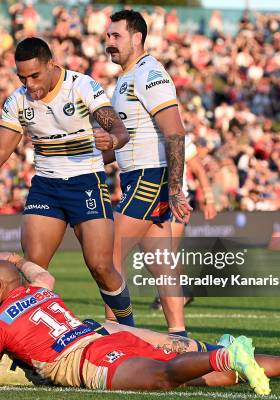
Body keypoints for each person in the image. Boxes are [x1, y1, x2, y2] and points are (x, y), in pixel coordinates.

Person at [0, 254, 280, 394]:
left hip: (89, 360)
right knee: (208, 376)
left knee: (165, 377)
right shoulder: (38, 292)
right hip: (100, 335)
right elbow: (40, 274)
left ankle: (228, 352)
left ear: (0, 288)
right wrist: (17, 259)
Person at [0, 37, 136, 326]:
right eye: (22, 77)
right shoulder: (17, 100)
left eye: (35, 76)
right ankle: (28, 339)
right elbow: (1, 149)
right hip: (47, 186)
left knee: (101, 266)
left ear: (51, 65)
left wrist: (112, 138)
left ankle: (130, 330)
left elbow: (118, 128)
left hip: (86, 182)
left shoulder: (81, 86)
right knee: (32, 269)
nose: (30, 84)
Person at [101, 10, 192, 335]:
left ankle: (116, 332)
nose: (109, 42)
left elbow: (175, 131)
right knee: (162, 265)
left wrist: (175, 189)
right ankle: (180, 336)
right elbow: (124, 143)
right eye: (108, 36)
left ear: (137, 38)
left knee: (106, 255)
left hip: (149, 179)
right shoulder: (126, 78)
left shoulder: (149, 73)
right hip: (137, 179)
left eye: (116, 36)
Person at [149, 134, 218, 311]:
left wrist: (209, 199)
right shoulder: (142, 132)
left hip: (176, 201)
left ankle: (172, 294)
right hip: (152, 201)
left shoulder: (178, 136)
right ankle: (181, 289)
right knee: (157, 253)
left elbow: (199, 170)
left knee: (167, 251)